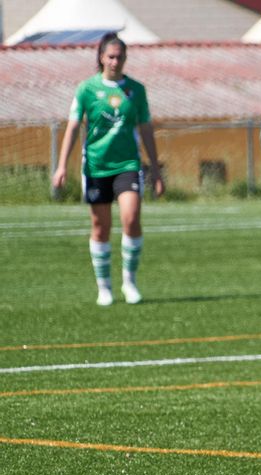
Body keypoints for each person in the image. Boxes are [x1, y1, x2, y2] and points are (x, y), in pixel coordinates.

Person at [52, 32, 165, 307]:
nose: (115, 61)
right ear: (101, 58)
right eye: (111, 56)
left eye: (120, 57)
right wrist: (61, 166)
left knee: (131, 217)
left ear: (125, 58)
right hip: (95, 165)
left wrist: (156, 169)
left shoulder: (136, 91)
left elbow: (146, 128)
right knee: (100, 226)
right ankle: (104, 288)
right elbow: (74, 126)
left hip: (127, 164)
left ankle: (129, 282)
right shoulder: (87, 89)